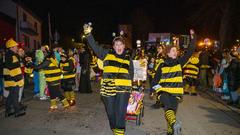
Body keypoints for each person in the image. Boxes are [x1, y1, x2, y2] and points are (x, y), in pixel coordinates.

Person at [83, 23, 133, 135]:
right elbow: (94, 46)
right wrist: (88, 34)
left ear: (124, 46)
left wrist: (131, 87)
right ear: (113, 46)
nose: (119, 46)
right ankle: (115, 129)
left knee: (120, 112)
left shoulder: (128, 57)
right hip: (107, 88)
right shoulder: (106, 53)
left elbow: (131, 73)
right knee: (111, 112)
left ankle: (119, 132)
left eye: (121, 44)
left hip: (123, 88)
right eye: (116, 45)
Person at [151, 29, 196, 135]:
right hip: (163, 90)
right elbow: (155, 80)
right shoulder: (161, 64)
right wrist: (153, 90)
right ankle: (175, 123)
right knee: (168, 108)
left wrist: (193, 39)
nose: (176, 52)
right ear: (168, 53)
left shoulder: (179, 62)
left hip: (175, 92)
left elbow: (189, 52)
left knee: (171, 113)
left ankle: (171, 131)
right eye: (173, 51)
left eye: (176, 51)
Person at [4, 38, 26, 117]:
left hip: (12, 79)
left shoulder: (11, 54)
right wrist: (19, 64)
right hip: (13, 79)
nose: (17, 47)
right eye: (15, 46)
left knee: (11, 95)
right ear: (11, 47)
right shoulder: (9, 55)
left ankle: (8, 111)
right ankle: (17, 112)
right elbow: (10, 66)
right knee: (15, 95)